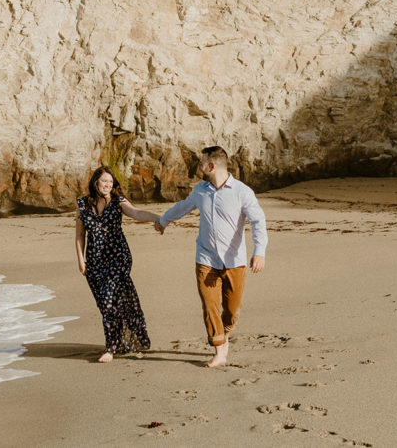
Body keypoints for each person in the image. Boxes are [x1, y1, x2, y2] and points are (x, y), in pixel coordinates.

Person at [155, 146, 267, 367]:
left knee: (233, 310)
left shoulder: (242, 191)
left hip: (235, 260)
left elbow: (258, 221)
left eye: (201, 162)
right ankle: (219, 349)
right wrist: (164, 220)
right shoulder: (200, 191)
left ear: (212, 166)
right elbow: (183, 206)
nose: (198, 166)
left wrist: (259, 251)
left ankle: (223, 334)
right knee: (210, 306)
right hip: (206, 258)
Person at [75, 166, 160, 363]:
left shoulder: (118, 201)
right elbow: (80, 234)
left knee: (108, 301)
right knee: (107, 305)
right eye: (104, 181)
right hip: (94, 261)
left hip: (117, 258)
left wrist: (158, 218)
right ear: (96, 181)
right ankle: (122, 338)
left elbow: (137, 213)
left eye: (111, 182)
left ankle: (110, 349)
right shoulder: (83, 204)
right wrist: (81, 260)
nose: (107, 185)